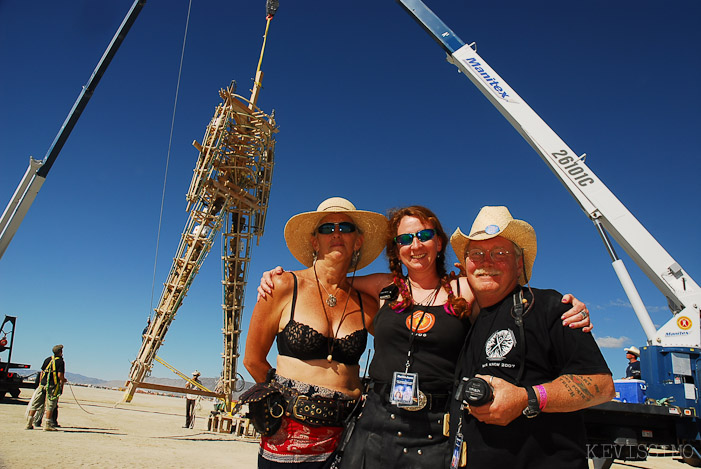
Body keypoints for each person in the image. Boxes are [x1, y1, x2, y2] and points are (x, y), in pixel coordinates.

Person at [259, 205, 591, 468]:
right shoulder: (382, 287)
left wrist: (565, 307)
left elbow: (506, 290)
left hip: (434, 431)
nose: (415, 246)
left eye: (424, 235)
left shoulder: (464, 289)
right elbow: (324, 282)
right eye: (405, 239)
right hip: (374, 426)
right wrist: (278, 277)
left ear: (439, 241)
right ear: (396, 248)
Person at [448, 206, 615, 468]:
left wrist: (528, 398)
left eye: (500, 253)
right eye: (476, 253)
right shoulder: (465, 319)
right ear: (465, 265)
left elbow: (602, 386)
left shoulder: (549, 306)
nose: (486, 261)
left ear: (519, 263)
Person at [243, 197, 389, 468]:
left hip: (347, 441)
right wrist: (283, 405)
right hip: (286, 439)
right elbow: (252, 359)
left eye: (345, 228)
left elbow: (403, 332)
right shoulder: (283, 286)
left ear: (357, 242)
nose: (336, 234)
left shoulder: (366, 304)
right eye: (326, 228)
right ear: (314, 241)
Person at [25, 344, 66, 431]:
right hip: (52, 386)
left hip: (42, 385)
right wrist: (63, 380)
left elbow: (42, 372)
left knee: (36, 404)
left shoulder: (48, 359)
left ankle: (29, 423)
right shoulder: (60, 362)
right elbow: (60, 375)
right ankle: (47, 424)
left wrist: (40, 384)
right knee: (50, 405)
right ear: (60, 352)